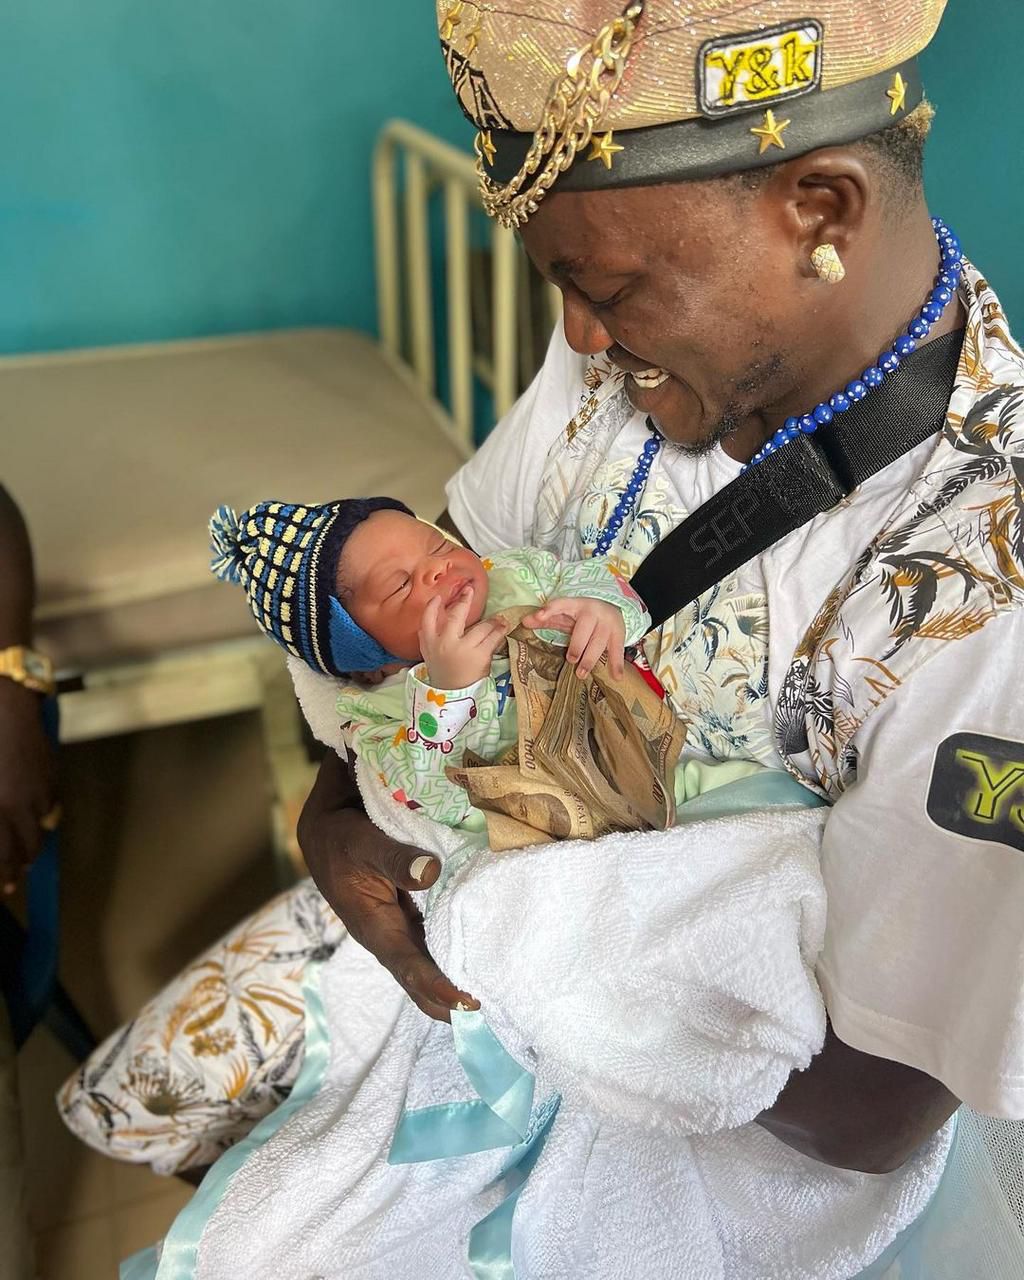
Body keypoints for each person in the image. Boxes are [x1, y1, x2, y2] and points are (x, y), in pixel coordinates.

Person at [61, 1, 1024, 1274]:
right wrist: (335, 803)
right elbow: (432, 590)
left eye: (605, 287)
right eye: (562, 283)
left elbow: (863, 1114)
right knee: (193, 1125)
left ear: (821, 208)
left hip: (711, 1109)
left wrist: (516, 942)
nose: (573, 339)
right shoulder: (636, 356)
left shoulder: (981, 591)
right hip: (476, 900)